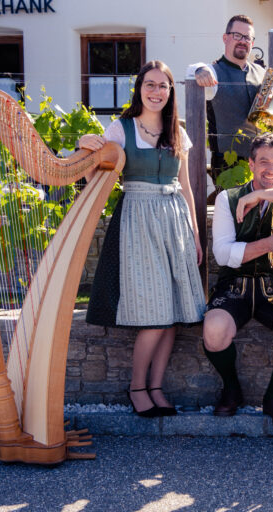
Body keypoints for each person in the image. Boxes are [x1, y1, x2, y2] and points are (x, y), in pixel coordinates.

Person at [79, 60, 206, 417]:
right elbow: (93, 178)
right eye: (149, 85)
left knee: (173, 313)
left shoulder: (178, 131)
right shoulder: (120, 129)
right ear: (139, 89)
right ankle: (137, 387)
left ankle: (156, 386)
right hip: (138, 220)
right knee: (154, 314)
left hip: (174, 222)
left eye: (163, 86)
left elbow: (186, 187)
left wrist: (195, 235)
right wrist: (85, 146)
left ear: (170, 92)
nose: (156, 92)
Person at [203, 133, 273, 429]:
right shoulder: (227, 199)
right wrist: (268, 245)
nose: (271, 169)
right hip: (235, 286)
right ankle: (231, 388)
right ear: (251, 164)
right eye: (263, 161)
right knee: (214, 331)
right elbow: (223, 253)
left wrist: (261, 196)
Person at [187, 14, 273, 182]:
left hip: (262, 160)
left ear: (252, 43)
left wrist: (272, 102)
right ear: (225, 38)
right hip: (227, 162)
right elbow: (191, 72)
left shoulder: (262, 74)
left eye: (248, 37)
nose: (243, 41)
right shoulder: (212, 71)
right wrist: (198, 69)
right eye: (237, 35)